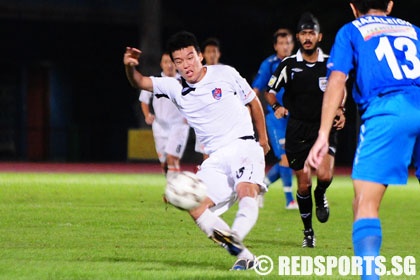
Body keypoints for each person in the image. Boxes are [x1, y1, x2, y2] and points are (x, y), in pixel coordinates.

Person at [124, 31, 270, 270]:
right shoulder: (173, 86)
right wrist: (130, 67)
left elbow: (253, 102)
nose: (186, 65)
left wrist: (263, 140)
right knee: (194, 205)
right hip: (215, 159)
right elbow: (139, 81)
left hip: (243, 145)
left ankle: (234, 239)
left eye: (190, 57)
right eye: (179, 61)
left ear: (200, 56)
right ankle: (244, 256)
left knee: (247, 190)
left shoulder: (225, 73)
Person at [305, 0, 420, 278]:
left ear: (354, 7)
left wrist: (323, 134)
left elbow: (336, 80)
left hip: (389, 111)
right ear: (390, 5)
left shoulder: (351, 29)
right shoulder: (414, 30)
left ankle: (370, 275)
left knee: (364, 204)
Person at [265, 13, 346, 248]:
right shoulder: (288, 64)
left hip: (324, 127)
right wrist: (277, 106)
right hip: (297, 130)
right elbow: (270, 90)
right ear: (299, 37)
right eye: (303, 33)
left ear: (319, 36)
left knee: (324, 176)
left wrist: (340, 109)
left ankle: (321, 194)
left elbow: (341, 89)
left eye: (312, 33)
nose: (308, 38)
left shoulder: (331, 63)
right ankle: (308, 232)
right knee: (303, 185)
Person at [252, 28, 298, 210]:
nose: (285, 46)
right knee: (286, 157)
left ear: (292, 45)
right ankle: (290, 200)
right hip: (276, 117)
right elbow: (256, 89)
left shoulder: (298, 63)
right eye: (281, 43)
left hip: (295, 118)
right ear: (275, 46)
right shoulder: (269, 64)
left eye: (288, 43)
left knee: (291, 158)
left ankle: (262, 185)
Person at [139, 52, 190, 178]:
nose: (169, 65)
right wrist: (147, 115)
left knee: (173, 158)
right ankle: (172, 186)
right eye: (166, 62)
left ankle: (173, 190)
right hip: (160, 126)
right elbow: (144, 99)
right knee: (164, 163)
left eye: (172, 62)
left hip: (179, 125)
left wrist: (190, 117)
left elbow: (193, 100)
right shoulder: (155, 80)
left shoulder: (184, 82)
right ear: (161, 64)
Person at [194, 37, 223, 161]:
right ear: (203, 55)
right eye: (209, 51)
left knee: (223, 156)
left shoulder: (226, 72)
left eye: (214, 51)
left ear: (219, 54)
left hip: (223, 121)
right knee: (207, 157)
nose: (212, 54)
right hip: (204, 121)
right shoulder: (197, 73)